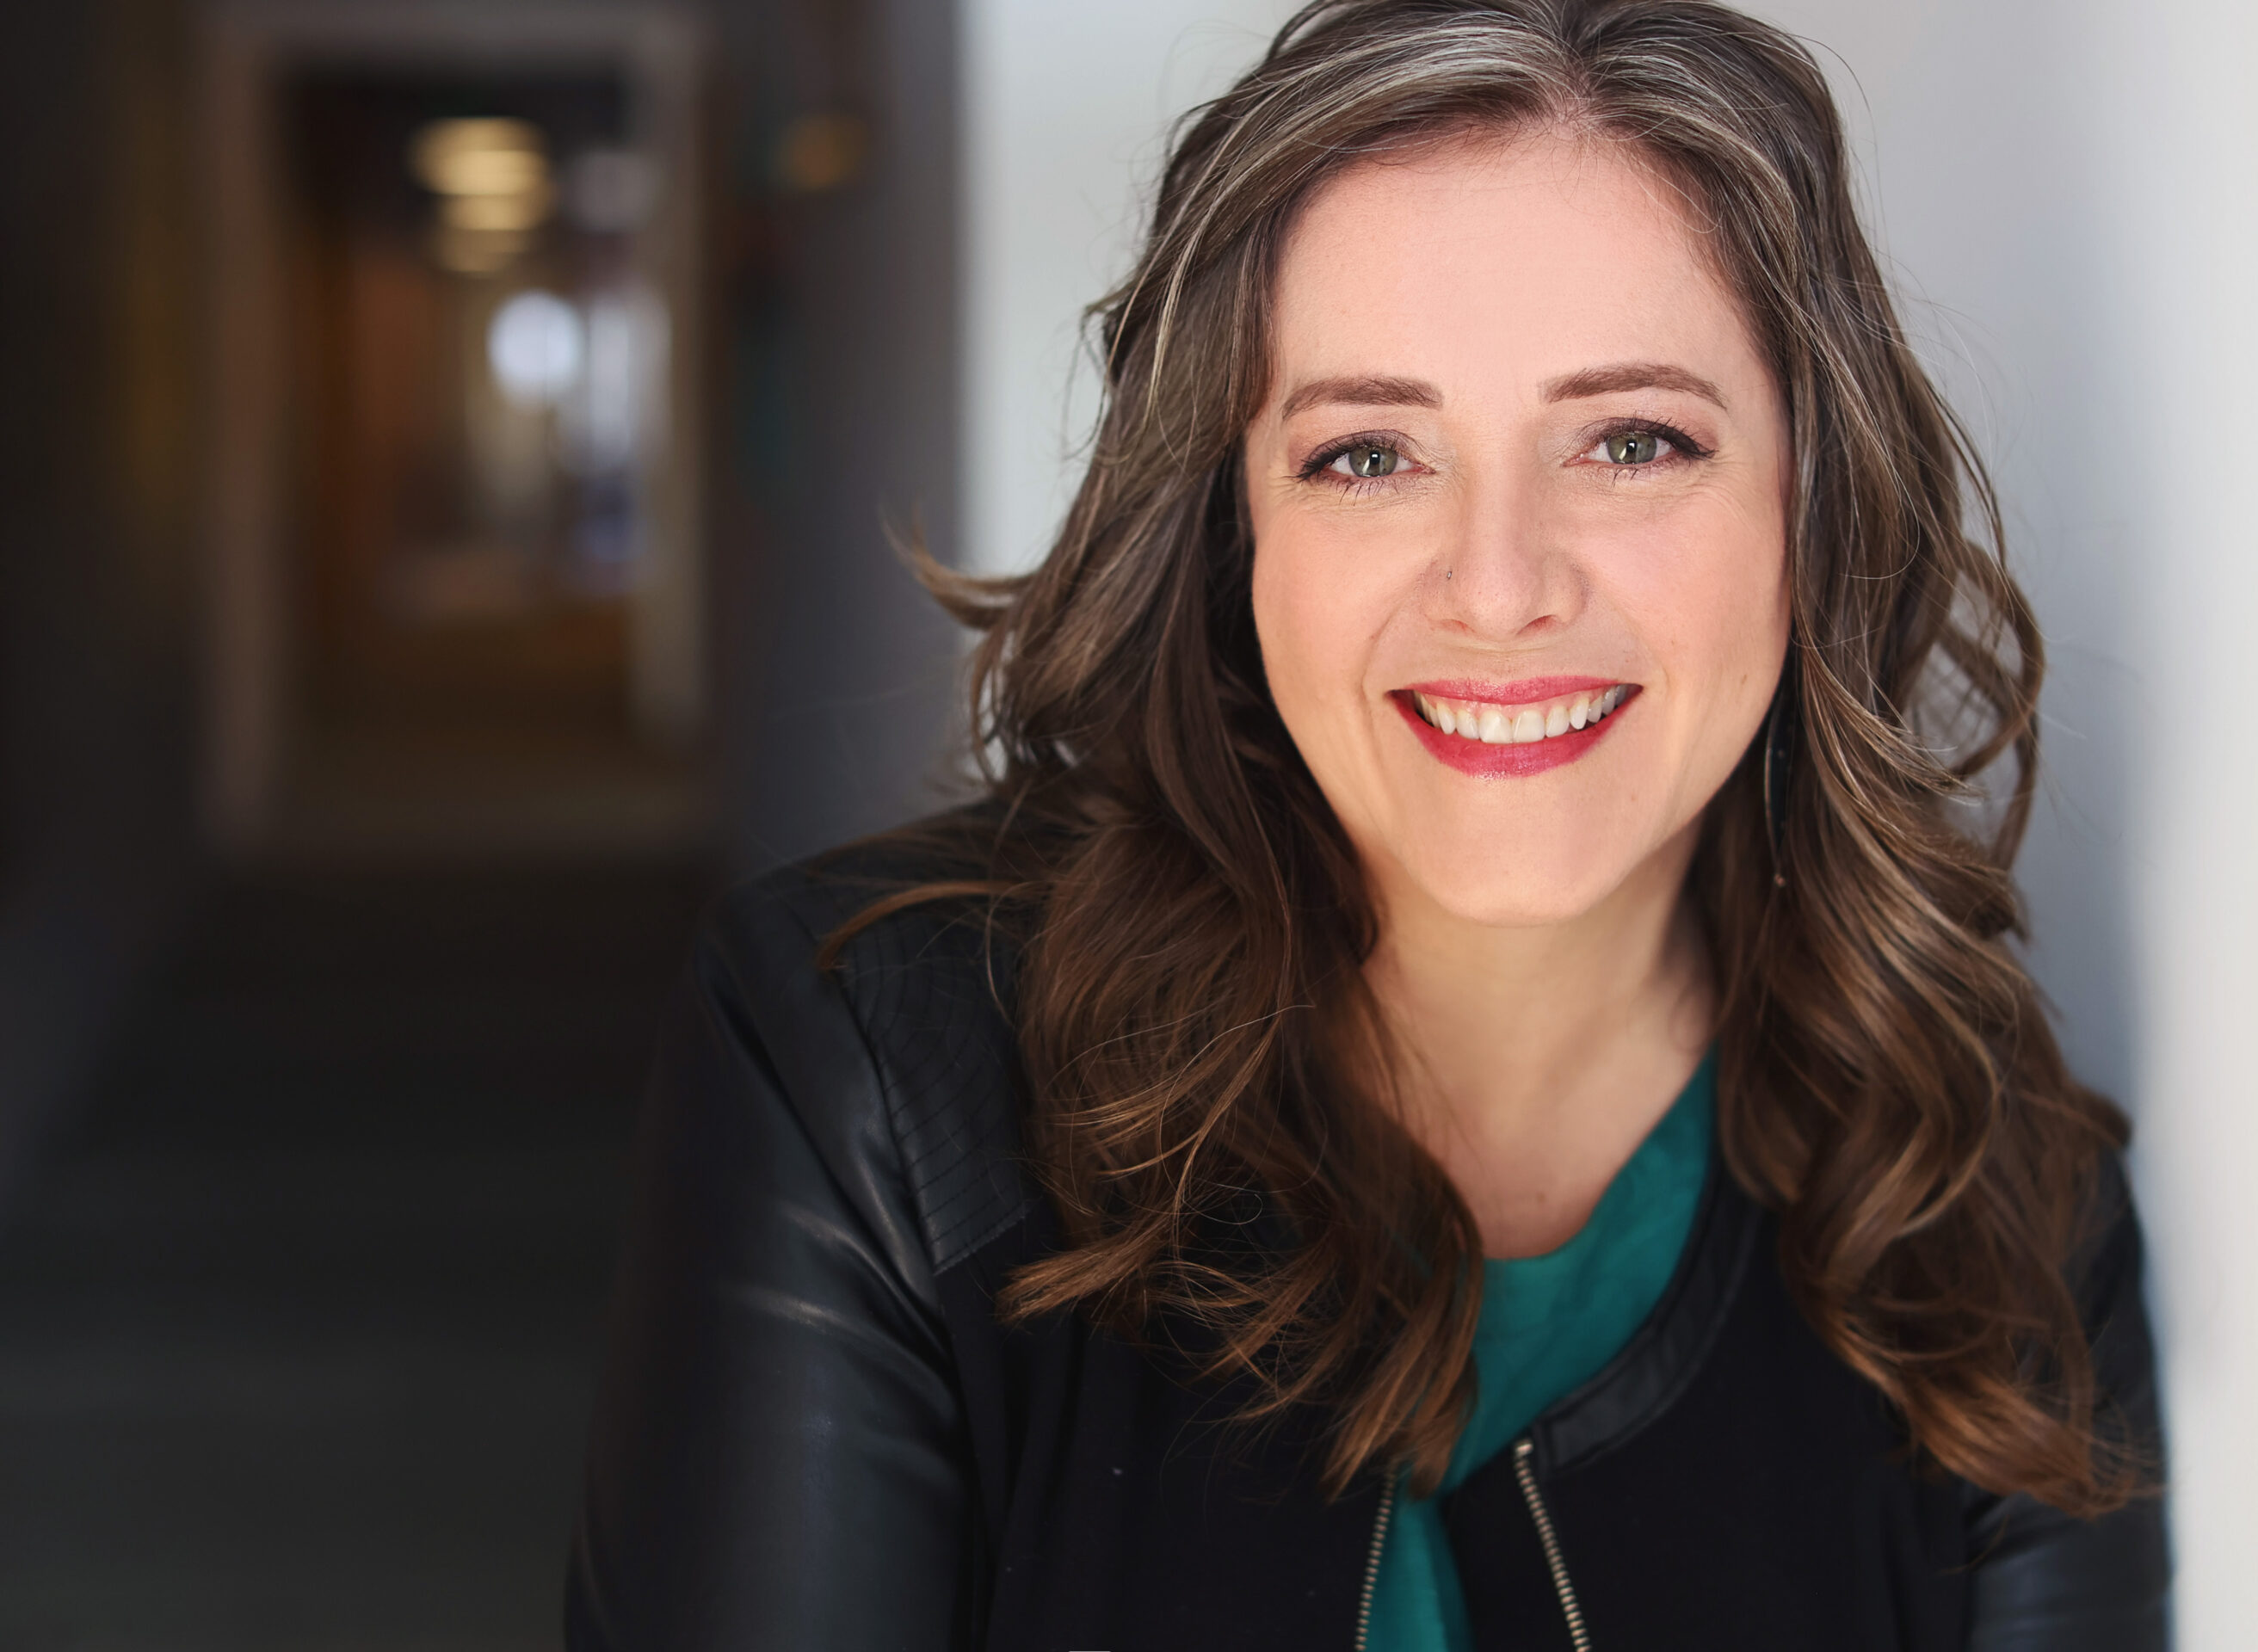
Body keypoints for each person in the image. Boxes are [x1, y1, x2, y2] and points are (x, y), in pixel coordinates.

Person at [565, 3, 2169, 1647]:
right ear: (1231, 529)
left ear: (1814, 504)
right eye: (1367, 455)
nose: (1498, 589)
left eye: (1633, 441)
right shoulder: (871, 1082)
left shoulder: (1995, 1215)